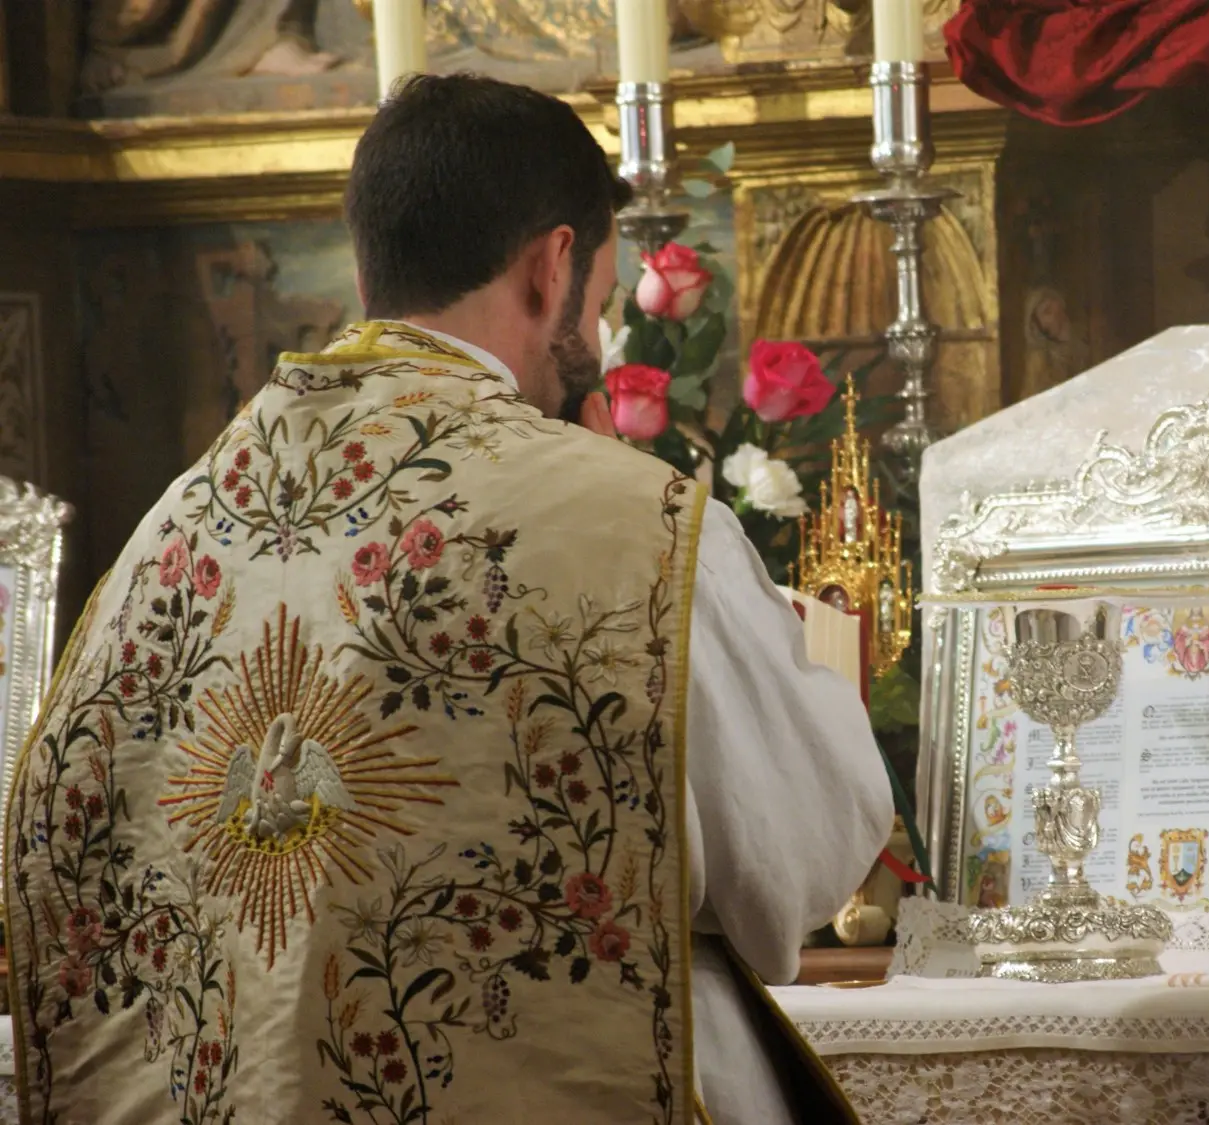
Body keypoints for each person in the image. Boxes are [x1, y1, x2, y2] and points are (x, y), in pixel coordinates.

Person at [4, 74, 889, 1125]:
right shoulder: (627, 523)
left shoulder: (172, 526)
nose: (596, 341)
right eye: (600, 303)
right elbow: (798, 865)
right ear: (551, 264)